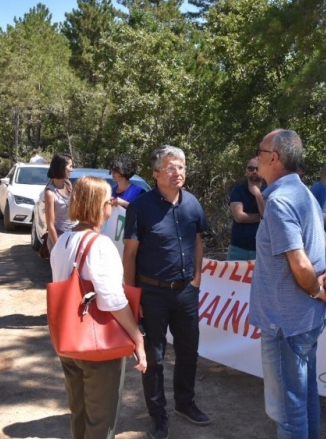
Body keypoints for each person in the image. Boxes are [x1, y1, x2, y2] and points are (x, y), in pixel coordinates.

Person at [250, 129, 326, 438]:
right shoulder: (304, 193)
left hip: (286, 324)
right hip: (303, 320)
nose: (256, 158)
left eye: (260, 152)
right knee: (304, 398)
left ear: (274, 158)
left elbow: (301, 263)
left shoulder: (279, 201)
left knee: (288, 413)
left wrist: (319, 290)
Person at [49, 176, 147, 439]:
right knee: (101, 421)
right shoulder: (100, 244)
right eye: (108, 201)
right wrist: (137, 337)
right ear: (99, 205)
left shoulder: (63, 241)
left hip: (69, 340)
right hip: (98, 346)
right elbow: (112, 299)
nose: (111, 206)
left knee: (79, 412)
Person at [122, 145, 210, 439]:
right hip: (152, 294)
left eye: (181, 167)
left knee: (189, 352)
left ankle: (185, 403)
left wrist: (197, 279)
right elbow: (129, 255)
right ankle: (158, 415)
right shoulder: (140, 207)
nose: (178, 172)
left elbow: (197, 242)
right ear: (156, 173)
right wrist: (133, 297)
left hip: (186, 293)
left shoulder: (193, 203)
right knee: (154, 358)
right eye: (171, 167)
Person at [227, 157, 265, 260]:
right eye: (251, 168)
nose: (254, 171)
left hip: (262, 248)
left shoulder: (269, 190)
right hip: (238, 248)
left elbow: (267, 216)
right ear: (246, 171)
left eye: (257, 168)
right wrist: (261, 217)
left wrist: (258, 195)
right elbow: (239, 217)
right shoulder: (238, 190)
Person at [44, 154, 75, 251]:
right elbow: (50, 224)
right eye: (70, 166)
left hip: (73, 235)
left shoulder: (68, 184)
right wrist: (58, 247)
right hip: (59, 237)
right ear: (61, 167)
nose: (72, 170)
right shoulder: (50, 193)